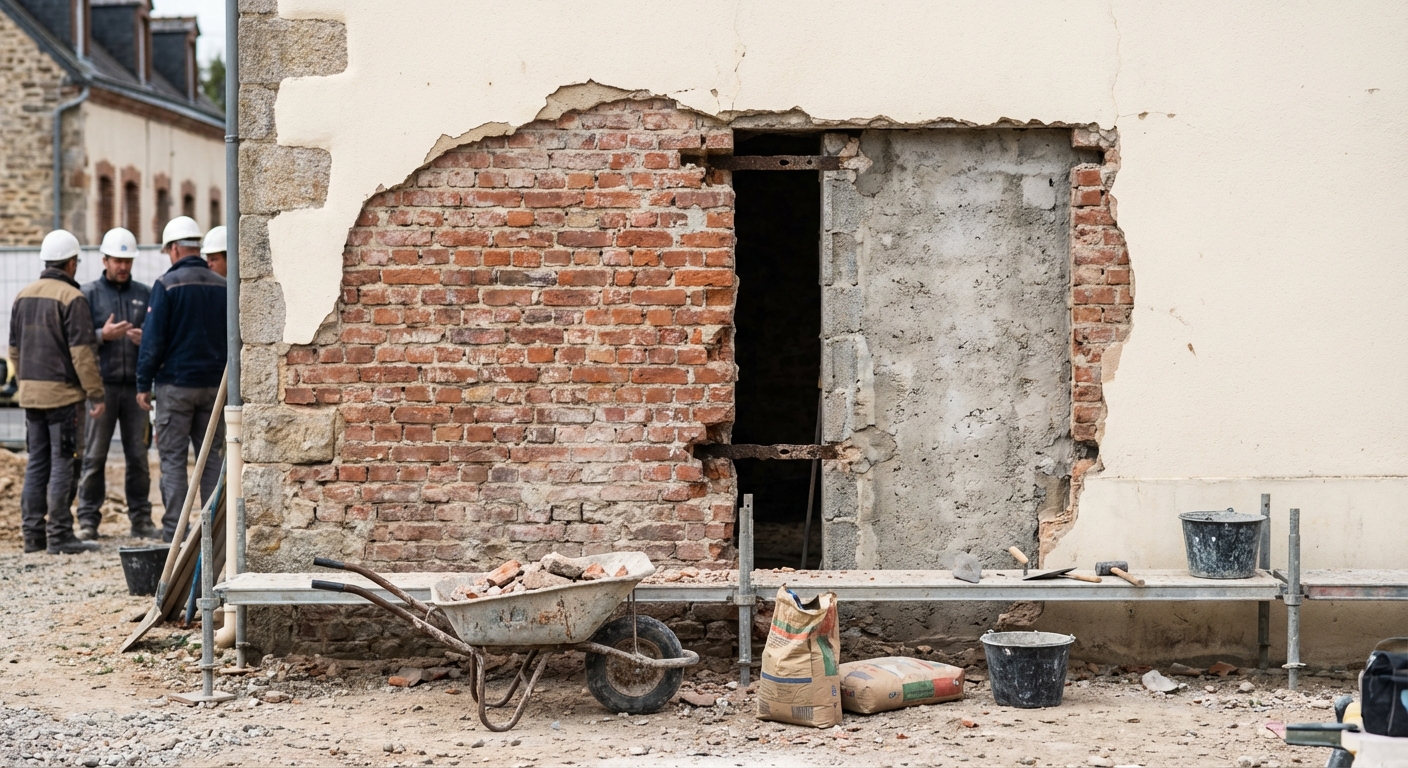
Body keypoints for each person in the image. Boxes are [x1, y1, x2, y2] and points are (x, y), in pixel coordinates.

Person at [11, 230, 105, 555]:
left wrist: (28, 383)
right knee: (64, 462)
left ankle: (33, 536)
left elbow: (13, 350)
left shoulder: (23, 295)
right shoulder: (72, 298)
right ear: (71, 263)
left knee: (37, 461)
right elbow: (82, 353)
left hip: (31, 397)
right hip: (64, 399)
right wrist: (96, 393)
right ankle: (60, 534)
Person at [136, 216, 226, 542]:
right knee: (210, 459)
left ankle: (175, 531)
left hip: (175, 386)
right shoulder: (222, 285)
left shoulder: (166, 285)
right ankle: (215, 530)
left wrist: (143, 383)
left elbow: (153, 340)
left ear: (174, 248)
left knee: (173, 460)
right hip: (215, 388)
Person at [74, 227, 157, 540]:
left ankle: (141, 520)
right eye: (117, 260)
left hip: (135, 389)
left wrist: (144, 339)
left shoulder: (145, 294)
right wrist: (101, 336)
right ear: (104, 259)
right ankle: (87, 522)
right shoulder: (89, 294)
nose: (123, 266)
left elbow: (156, 336)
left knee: (138, 456)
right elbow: (78, 340)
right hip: (102, 389)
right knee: (94, 456)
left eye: (128, 261)